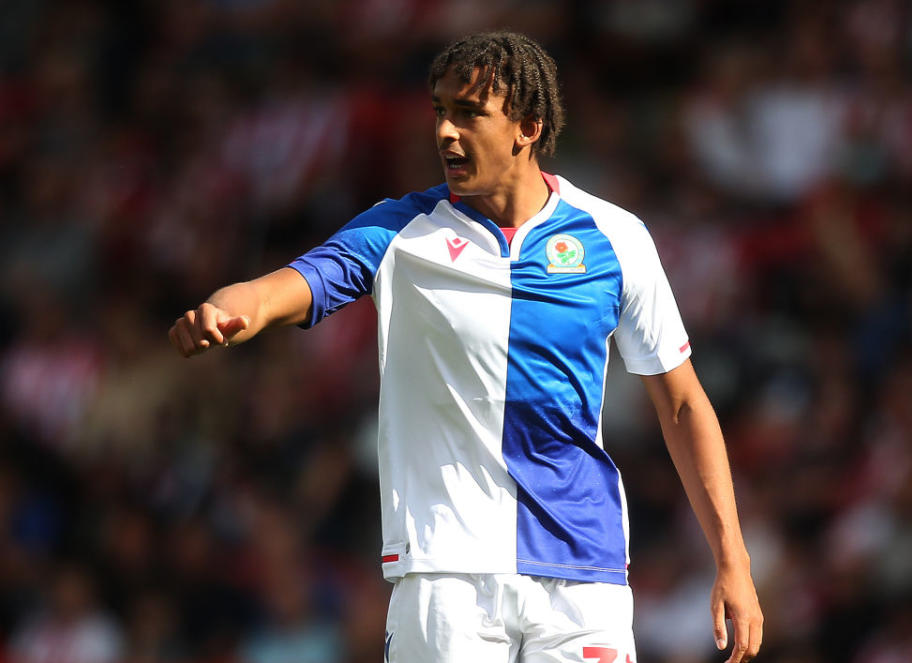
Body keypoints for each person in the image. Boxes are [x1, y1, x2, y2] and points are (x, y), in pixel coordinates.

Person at [169, 31, 763, 663]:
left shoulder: (616, 238)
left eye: (469, 113)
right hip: (444, 573)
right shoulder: (399, 231)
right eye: (440, 111)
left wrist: (733, 559)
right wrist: (231, 308)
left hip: (583, 574)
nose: (446, 132)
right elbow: (285, 287)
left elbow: (681, 405)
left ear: (528, 127)